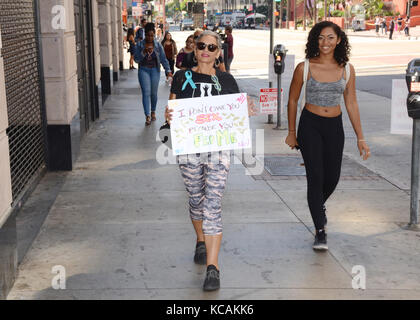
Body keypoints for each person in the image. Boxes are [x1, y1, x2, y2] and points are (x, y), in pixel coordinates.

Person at [165, 30, 256, 291]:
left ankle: (213, 268)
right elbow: (172, 109)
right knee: (196, 199)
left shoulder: (227, 80)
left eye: (212, 47)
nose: (206, 50)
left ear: (218, 53)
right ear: (194, 49)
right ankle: (200, 240)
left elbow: (236, 116)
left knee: (212, 204)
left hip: (218, 151)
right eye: (202, 45)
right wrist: (169, 115)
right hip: (190, 149)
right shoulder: (182, 77)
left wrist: (245, 109)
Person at [285, 21, 370, 251]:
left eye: (330, 38)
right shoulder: (304, 67)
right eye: (321, 38)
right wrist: (292, 132)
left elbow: (351, 103)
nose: (325, 43)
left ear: (339, 40)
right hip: (310, 125)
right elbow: (292, 100)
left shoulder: (347, 69)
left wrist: (361, 137)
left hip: (334, 125)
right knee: (315, 176)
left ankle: (317, 206)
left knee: (332, 177)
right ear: (315, 40)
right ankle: (320, 230)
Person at [134, 23, 173, 126]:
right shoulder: (139, 45)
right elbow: (136, 59)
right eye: (147, 35)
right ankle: (147, 115)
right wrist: (143, 52)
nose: (150, 38)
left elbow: (164, 59)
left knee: (153, 93)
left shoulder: (158, 45)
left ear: (154, 34)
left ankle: (153, 111)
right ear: (144, 34)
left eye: (152, 35)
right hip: (143, 70)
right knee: (146, 92)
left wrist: (168, 70)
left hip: (155, 70)